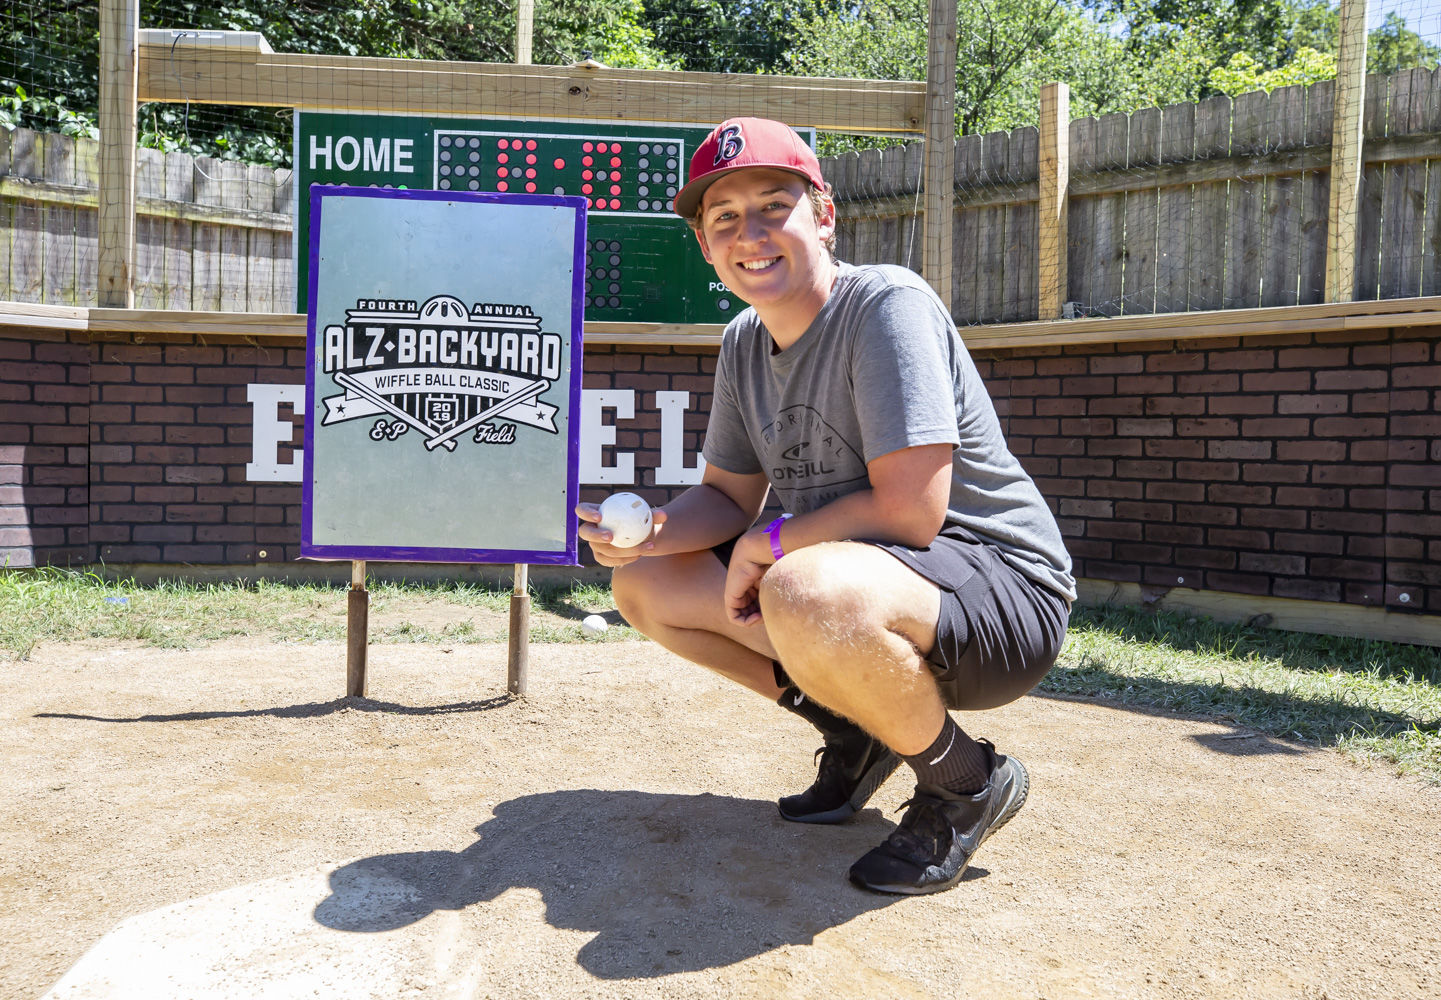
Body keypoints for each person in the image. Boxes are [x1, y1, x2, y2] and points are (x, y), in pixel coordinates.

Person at [576, 117, 1075, 895]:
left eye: (774, 205)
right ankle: (856, 727)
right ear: (707, 247)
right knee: (649, 584)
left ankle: (965, 783)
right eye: (725, 218)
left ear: (823, 215)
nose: (752, 232)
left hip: (1001, 591)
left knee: (796, 583)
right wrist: (652, 537)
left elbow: (911, 513)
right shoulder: (743, 341)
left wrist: (765, 542)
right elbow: (725, 496)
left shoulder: (885, 304)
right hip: (866, 591)